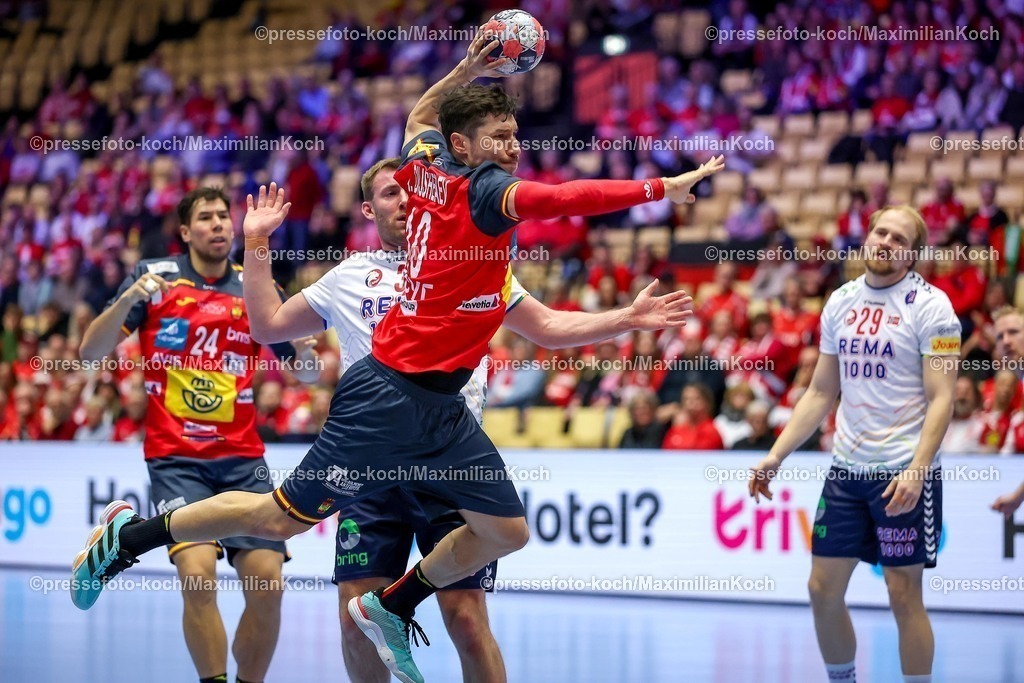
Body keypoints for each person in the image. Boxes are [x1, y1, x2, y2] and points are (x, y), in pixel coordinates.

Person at [70, 33, 721, 683]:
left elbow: (418, 118)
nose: (513, 147)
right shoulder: (486, 193)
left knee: (508, 530)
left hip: (444, 411)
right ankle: (129, 540)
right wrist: (661, 187)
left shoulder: (431, 169)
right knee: (276, 517)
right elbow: (565, 197)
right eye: (499, 135)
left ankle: (395, 602)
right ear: (465, 146)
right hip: (387, 399)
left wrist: (468, 68)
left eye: (514, 133)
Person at [237, 155, 696, 683]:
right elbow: (268, 325)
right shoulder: (349, 276)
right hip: (370, 466)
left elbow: (546, 325)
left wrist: (626, 319)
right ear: (367, 209)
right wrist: (256, 242)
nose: (405, 201)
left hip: (448, 459)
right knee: (354, 619)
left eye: (409, 191)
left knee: (467, 620)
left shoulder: (470, 260)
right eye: (389, 195)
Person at [77, 187, 320, 683]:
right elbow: (86, 354)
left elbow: (310, 374)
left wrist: (304, 347)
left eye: (223, 217)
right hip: (176, 458)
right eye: (205, 218)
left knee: (268, 584)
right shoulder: (154, 281)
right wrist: (126, 298)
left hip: (243, 460)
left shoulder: (255, 287)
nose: (219, 225)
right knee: (197, 577)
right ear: (185, 233)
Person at [749, 206, 959, 683]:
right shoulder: (840, 302)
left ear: (912, 254)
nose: (886, 241)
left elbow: (942, 398)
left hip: (903, 472)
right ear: (867, 237)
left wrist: (918, 469)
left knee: (904, 595)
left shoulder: (932, 308)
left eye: (899, 238)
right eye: (880, 231)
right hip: (847, 471)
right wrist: (775, 455)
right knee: (822, 590)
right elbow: (821, 392)